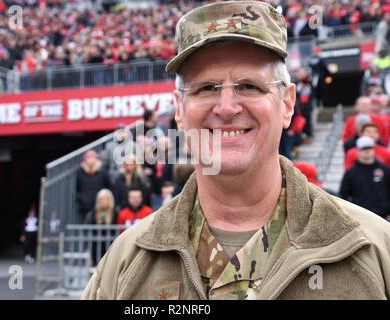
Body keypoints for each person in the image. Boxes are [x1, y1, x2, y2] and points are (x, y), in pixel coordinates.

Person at [83, 1, 390, 300]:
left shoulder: (373, 251)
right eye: (206, 88)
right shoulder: (126, 263)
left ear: (287, 104)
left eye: (249, 86)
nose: (227, 108)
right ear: (179, 109)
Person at [340, 136, 390, 220]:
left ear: (374, 150)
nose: (367, 151)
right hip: (362, 217)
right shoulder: (351, 173)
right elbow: (343, 195)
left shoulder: (385, 170)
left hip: (384, 216)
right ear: (358, 151)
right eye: (363, 149)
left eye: (369, 148)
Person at [75, 150, 110, 223]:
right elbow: (77, 188)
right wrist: (81, 199)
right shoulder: (80, 172)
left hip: (99, 206)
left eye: (92, 157)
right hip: (84, 206)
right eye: (88, 158)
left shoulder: (102, 172)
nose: (90, 160)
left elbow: (108, 186)